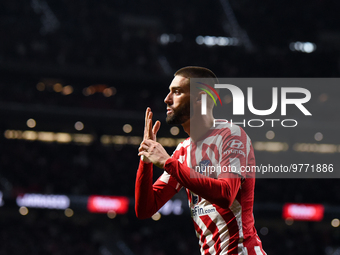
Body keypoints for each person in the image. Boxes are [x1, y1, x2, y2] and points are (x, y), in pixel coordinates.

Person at [135, 66, 266, 255]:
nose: (167, 99)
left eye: (177, 92)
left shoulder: (231, 135)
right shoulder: (182, 151)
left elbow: (225, 194)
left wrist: (167, 163)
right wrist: (146, 160)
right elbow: (145, 208)